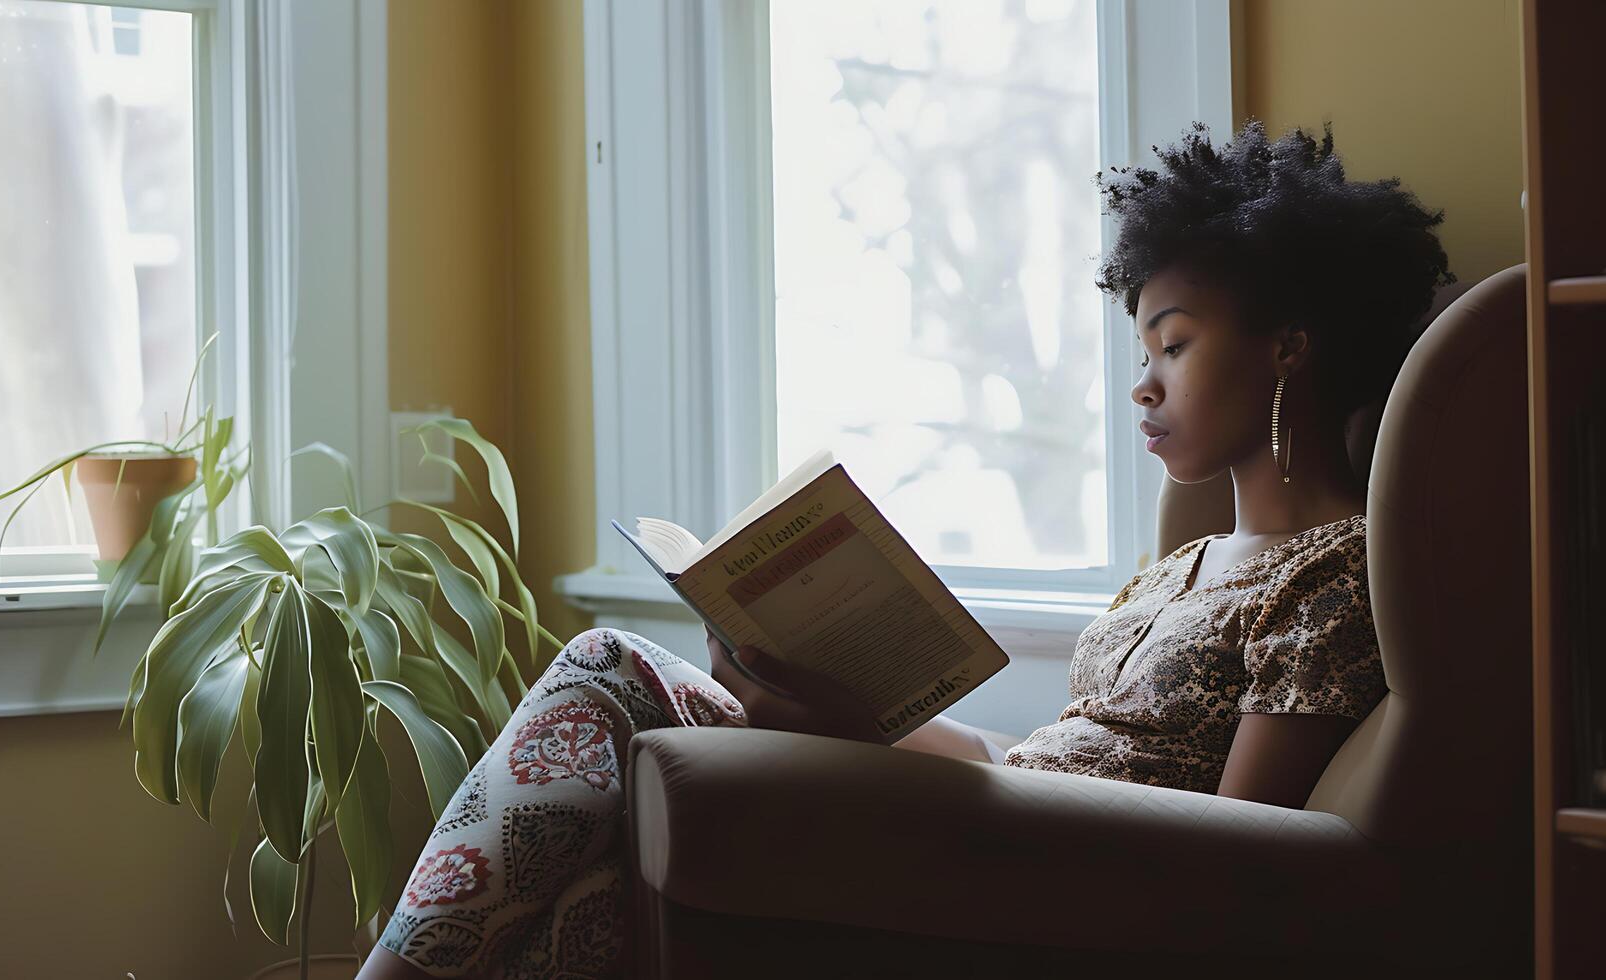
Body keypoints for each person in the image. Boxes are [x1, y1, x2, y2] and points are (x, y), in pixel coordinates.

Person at [355, 116, 1455, 979]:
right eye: (1141, 347)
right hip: (1006, 820)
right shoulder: (1177, 567)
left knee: (609, 668)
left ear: (1290, 350)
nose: (1142, 382)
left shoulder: (1333, 573)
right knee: (600, 879)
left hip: (1060, 876)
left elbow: (1234, 848)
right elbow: (1026, 762)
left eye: (1174, 342)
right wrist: (856, 718)